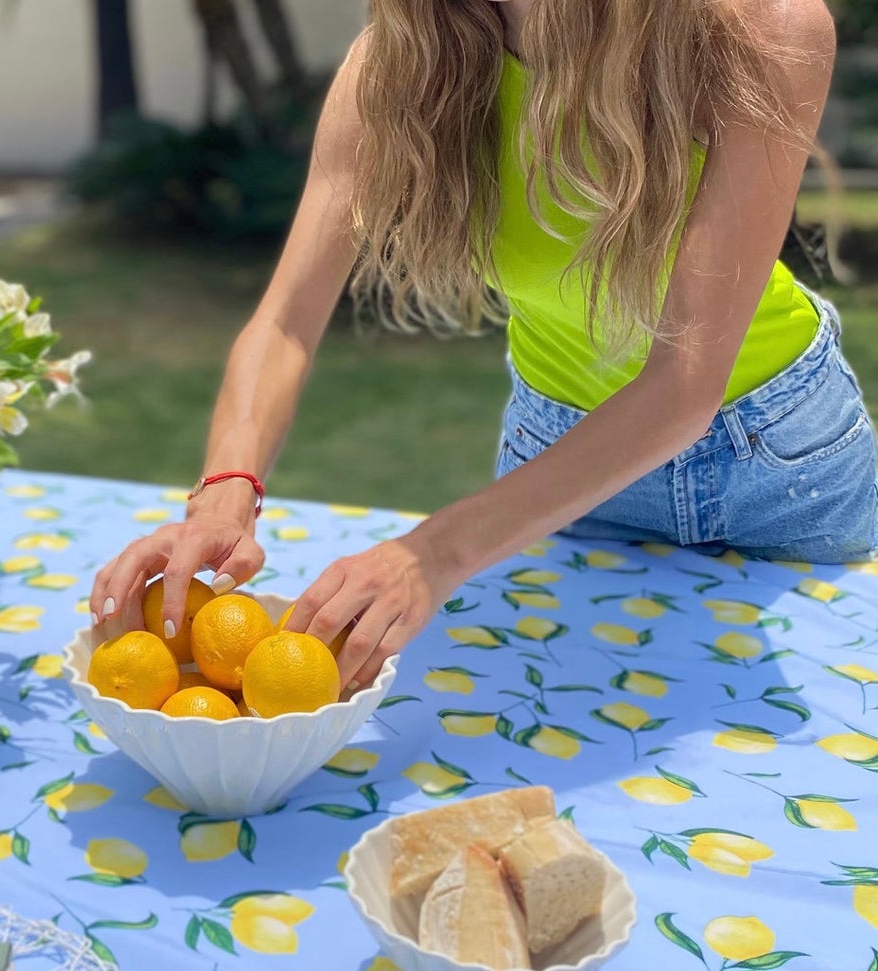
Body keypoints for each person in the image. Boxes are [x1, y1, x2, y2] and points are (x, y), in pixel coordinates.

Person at [88, 0, 876, 693]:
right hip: (564, 461)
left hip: (780, 460)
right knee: (545, 724)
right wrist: (225, 492)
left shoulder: (761, 30)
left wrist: (430, 553)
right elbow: (284, 322)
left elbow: (684, 384)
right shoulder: (407, 54)